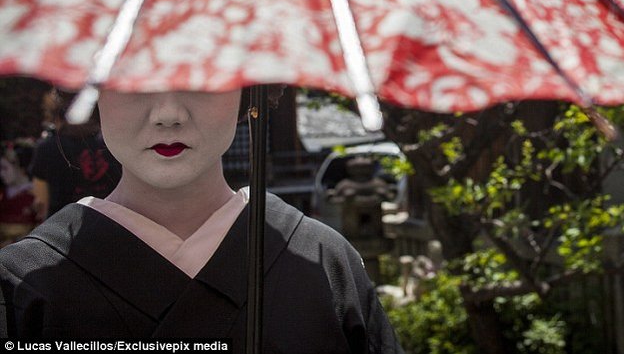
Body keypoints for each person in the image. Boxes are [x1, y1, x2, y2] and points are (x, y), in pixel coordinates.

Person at [0, 89, 402, 352]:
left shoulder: (321, 259)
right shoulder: (22, 280)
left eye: (203, 75)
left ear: (249, 88)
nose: (169, 114)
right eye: (135, 78)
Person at [29, 89, 121, 220]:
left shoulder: (47, 147)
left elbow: (41, 201)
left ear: (55, 115)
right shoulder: (113, 141)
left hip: (62, 229)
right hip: (114, 224)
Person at [0, 139, 39, 246]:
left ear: (21, 167)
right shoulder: (2, 193)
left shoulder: (35, 194)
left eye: (4, 168)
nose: (1, 173)